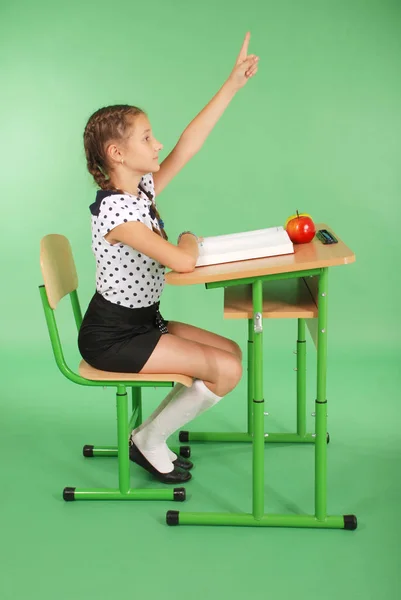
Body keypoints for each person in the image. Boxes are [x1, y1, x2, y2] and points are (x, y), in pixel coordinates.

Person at [78, 33, 259, 484]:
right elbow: (181, 261)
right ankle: (150, 440)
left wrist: (231, 85)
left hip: (144, 322)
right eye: (146, 137)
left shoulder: (139, 190)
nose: (157, 144)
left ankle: (149, 434)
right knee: (228, 370)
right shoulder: (117, 213)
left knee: (231, 354)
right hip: (112, 336)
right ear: (117, 153)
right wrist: (188, 237)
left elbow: (188, 144)